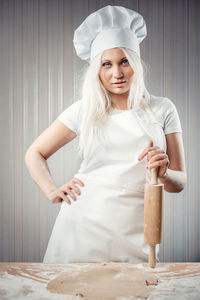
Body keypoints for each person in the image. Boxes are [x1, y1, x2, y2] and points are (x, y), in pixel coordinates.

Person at [25, 5, 187, 263]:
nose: (117, 73)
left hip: (139, 228)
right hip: (81, 226)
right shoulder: (84, 110)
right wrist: (51, 189)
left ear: (135, 62)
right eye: (106, 64)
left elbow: (180, 183)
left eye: (124, 61)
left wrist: (165, 173)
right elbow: (35, 153)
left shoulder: (163, 108)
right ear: (96, 71)